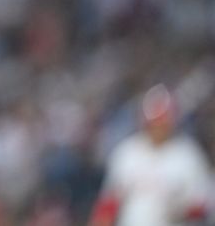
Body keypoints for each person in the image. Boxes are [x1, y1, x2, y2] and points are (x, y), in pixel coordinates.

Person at [89, 84, 213, 226]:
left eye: (163, 120)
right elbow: (108, 205)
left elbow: (204, 207)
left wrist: (182, 209)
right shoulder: (128, 152)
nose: (159, 127)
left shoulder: (189, 156)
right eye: (155, 121)